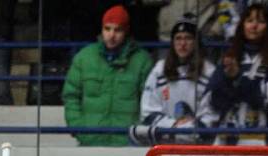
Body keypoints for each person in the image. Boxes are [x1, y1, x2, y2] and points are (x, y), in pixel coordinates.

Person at [62, 4, 153, 146]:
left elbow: (149, 103)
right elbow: (71, 96)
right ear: (101, 29)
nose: (111, 35)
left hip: (128, 145)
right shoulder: (84, 58)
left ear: (126, 31)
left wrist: (137, 134)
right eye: (107, 29)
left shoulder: (142, 61)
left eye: (118, 30)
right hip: (90, 142)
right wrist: (78, 128)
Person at [206, 3, 268, 145]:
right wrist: (228, 81)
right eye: (250, 21)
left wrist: (237, 79)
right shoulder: (229, 57)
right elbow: (214, 102)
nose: (254, 26)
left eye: (261, 21)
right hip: (229, 139)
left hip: (267, 139)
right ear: (242, 25)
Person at [130, 15, 218, 146]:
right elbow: (147, 111)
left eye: (188, 38)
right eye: (178, 38)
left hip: (197, 145)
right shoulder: (159, 69)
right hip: (165, 143)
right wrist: (173, 125)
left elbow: (211, 116)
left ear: (196, 42)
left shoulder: (209, 71)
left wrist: (185, 128)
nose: (182, 44)